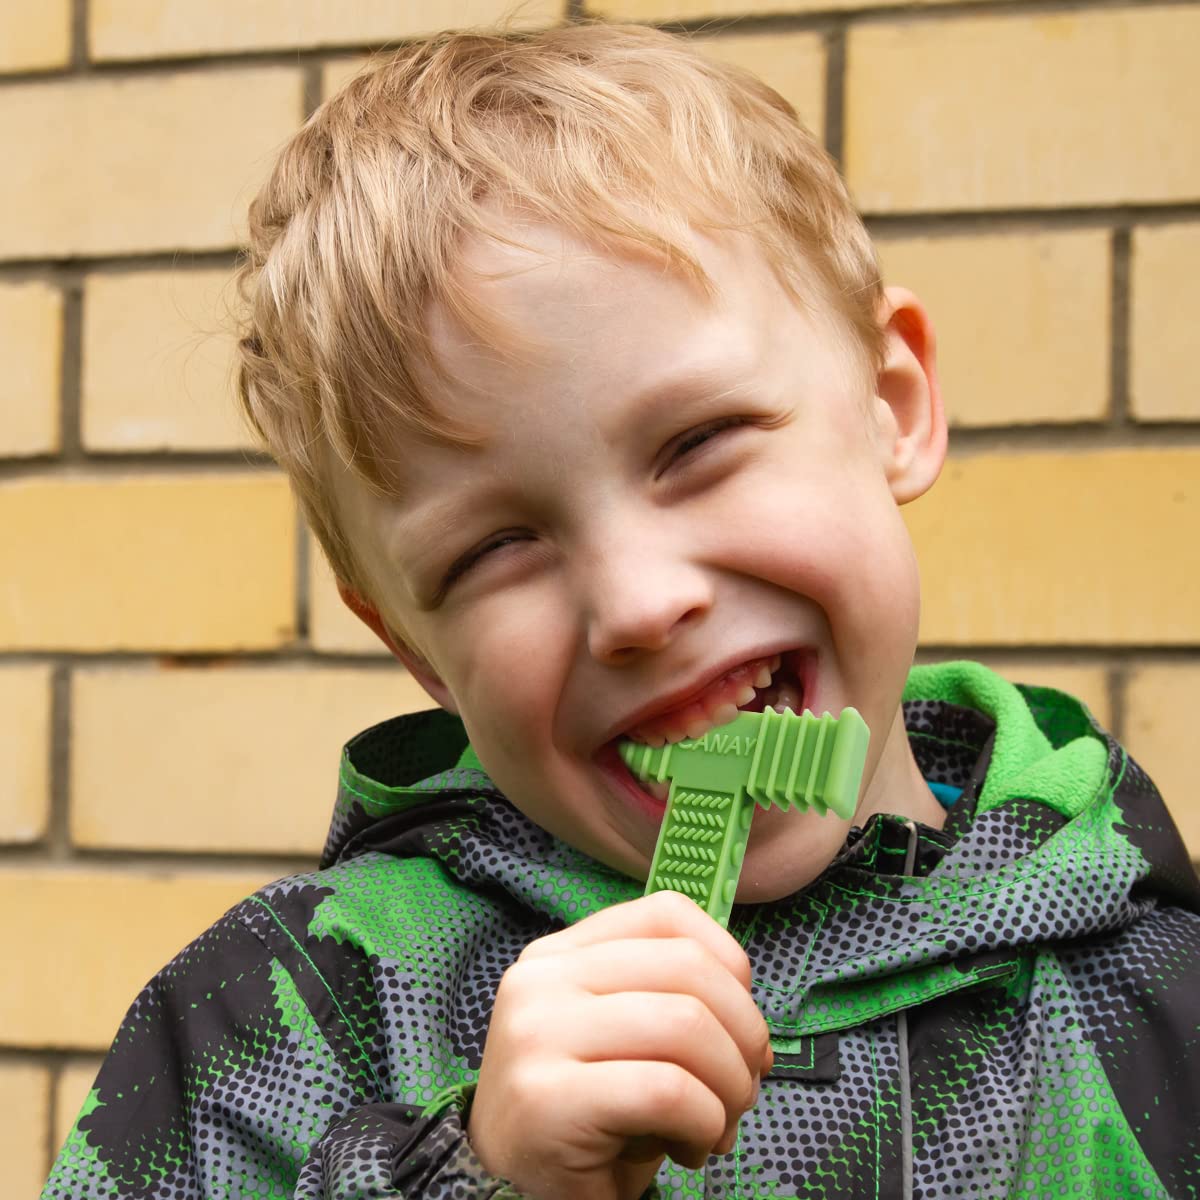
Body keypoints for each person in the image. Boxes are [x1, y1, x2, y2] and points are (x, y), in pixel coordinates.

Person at [43, 20, 1200, 1200]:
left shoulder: (1164, 998)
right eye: (497, 546)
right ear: (414, 647)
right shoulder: (280, 1018)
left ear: (892, 407)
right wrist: (474, 1179)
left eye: (697, 444)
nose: (639, 606)